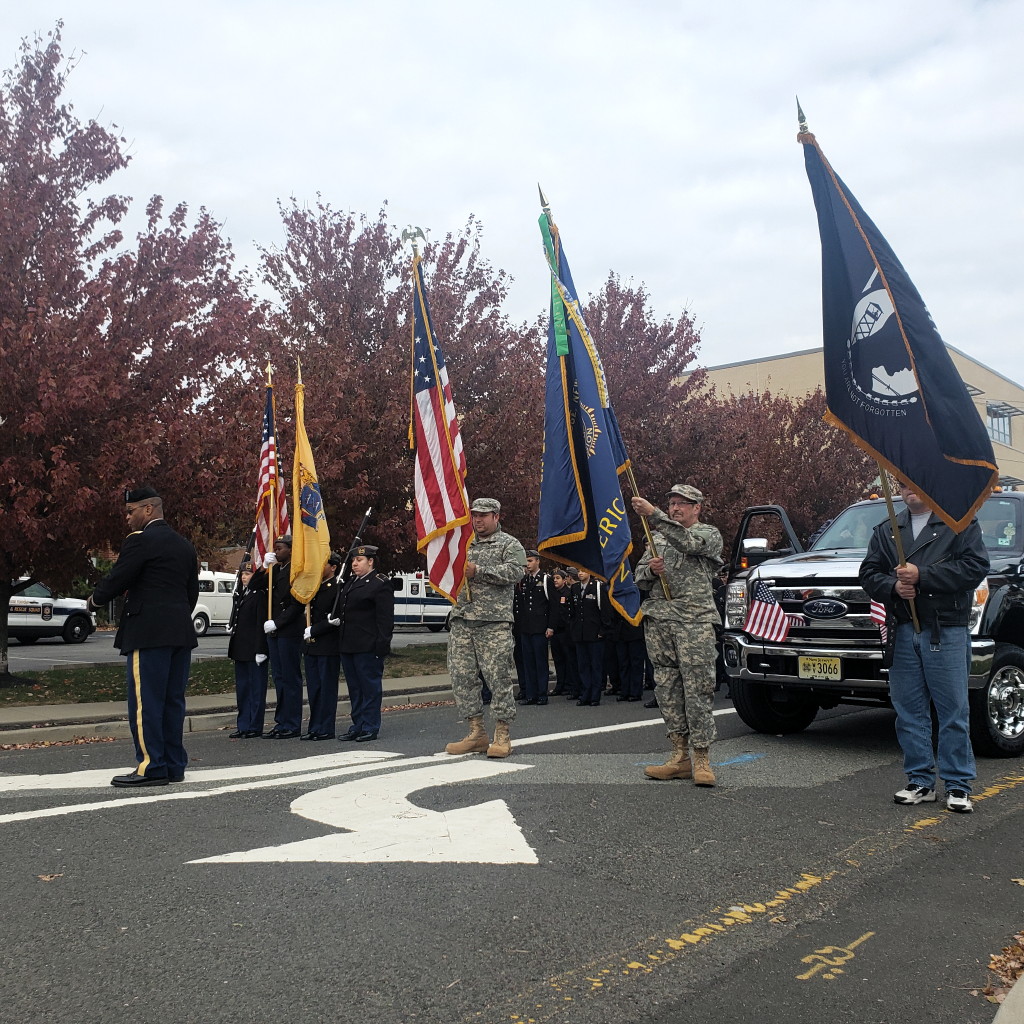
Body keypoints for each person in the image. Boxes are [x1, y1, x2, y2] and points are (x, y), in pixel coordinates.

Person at [859, 480, 989, 813]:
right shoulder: (888, 528)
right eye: (902, 484)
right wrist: (892, 587)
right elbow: (869, 572)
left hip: (943, 629)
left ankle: (958, 784)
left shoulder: (958, 523)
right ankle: (920, 780)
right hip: (903, 629)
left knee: (952, 711)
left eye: (914, 483)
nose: (907, 489)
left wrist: (922, 576)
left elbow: (974, 567)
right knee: (908, 711)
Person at [88, 486, 199, 787]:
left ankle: (151, 766)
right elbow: (191, 593)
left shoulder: (140, 542)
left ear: (149, 509)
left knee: (146, 703)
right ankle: (174, 765)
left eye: (131, 510)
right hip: (179, 633)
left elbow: (118, 578)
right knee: (172, 702)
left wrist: (94, 601)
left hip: (148, 633)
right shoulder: (184, 545)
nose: (127, 517)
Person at [632, 485, 723, 786]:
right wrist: (651, 571)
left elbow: (689, 544)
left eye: (682, 503)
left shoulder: (708, 534)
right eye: (671, 503)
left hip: (693, 622)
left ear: (697, 507)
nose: (675, 508)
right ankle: (679, 754)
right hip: (660, 621)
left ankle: (701, 757)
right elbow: (639, 577)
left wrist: (654, 515)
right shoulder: (656, 539)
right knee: (667, 688)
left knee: (698, 688)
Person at [444, 497, 526, 759]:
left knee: (497, 678)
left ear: (496, 517)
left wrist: (478, 570)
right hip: (462, 619)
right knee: (462, 677)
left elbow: (516, 572)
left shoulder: (509, 544)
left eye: (483, 515)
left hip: (493, 623)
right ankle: (476, 732)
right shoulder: (462, 543)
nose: (478, 520)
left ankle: (502, 733)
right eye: (475, 515)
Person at [334, 545, 394, 742]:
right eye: (353, 561)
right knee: (355, 689)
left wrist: (382, 646)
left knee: (369, 689)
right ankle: (357, 724)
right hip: (348, 644)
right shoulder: (350, 582)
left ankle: (370, 726)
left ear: (370, 561)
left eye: (359, 561)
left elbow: (385, 619)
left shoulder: (379, 583)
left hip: (368, 645)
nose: (354, 564)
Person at [261, 535, 306, 739]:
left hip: (288, 630)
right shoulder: (275, 570)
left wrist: (278, 622)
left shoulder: (296, 571)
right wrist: (263, 567)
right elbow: (255, 586)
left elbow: (297, 604)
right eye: (275, 548)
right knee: (279, 679)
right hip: (275, 632)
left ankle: (292, 723)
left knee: (290, 678)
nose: (276, 551)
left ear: (290, 550)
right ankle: (281, 721)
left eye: (280, 548)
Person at [301, 552, 344, 740]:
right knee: (314, 689)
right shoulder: (314, 587)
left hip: (328, 645)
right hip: (312, 646)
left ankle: (326, 728)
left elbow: (335, 618)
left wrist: (315, 629)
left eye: (323, 564)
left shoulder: (336, 587)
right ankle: (314, 726)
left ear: (333, 567)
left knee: (326, 689)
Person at [227, 563, 269, 738]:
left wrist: (261, 649)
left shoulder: (259, 595)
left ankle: (254, 725)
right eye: (242, 574)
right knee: (243, 689)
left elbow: (260, 623)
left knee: (256, 690)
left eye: (248, 574)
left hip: (254, 649)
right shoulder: (242, 594)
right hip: (240, 649)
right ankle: (243, 724)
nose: (244, 577)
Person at [513, 550, 559, 705]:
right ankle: (530, 695)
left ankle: (541, 694)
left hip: (540, 628)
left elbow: (553, 605)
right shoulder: (524, 580)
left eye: (531, 560)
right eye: (526, 561)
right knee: (528, 662)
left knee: (540, 662)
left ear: (538, 561)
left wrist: (551, 626)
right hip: (526, 629)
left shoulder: (546, 579)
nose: (528, 564)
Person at [568, 568, 610, 706]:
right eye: (578, 571)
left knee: (595, 666)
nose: (580, 573)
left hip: (594, 633)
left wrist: (602, 630)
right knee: (583, 666)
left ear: (590, 572)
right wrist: (574, 629)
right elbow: (573, 612)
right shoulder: (574, 588)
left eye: (583, 570)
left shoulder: (597, 587)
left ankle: (595, 696)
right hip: (580, 634)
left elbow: (605, 610)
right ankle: (585, 694)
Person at [548, 568, 578, 698]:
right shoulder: (553, 594)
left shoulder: (568, 593)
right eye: (554, 578)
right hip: (556, 631)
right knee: (558, 660)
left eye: (558, 578)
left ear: (565, 580)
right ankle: (560, 685)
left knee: (569, 659)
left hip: (566, 631)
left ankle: (570, 685)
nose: (555, 580)